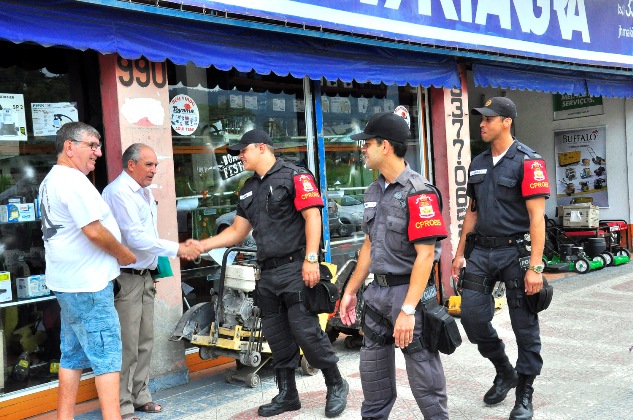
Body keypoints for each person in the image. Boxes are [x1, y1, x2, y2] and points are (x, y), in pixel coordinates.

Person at [197, 129, 349, 418]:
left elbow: (313, 216)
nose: (239, 156)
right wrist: (203, 245)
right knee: (277, 336)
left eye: (243, 151)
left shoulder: (295, 176)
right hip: (267, 273)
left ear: (262, 148)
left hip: (296, 268)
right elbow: (237, 231)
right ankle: (288, 395)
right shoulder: (248, 188)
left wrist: (311, 258)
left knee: (306, 332)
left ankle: (336, 384)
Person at [339, 112, 450, 419]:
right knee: (373, 379)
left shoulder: (419, 192)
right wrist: (350, 291)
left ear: (385, 146)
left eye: (368, 143)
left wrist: (408, 310)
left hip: (408, 293)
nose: (363, 149)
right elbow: (369, 245)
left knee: (425, 380)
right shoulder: (373, 191)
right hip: (377, 294)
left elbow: (426, 256)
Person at [450, 97, 550, 420]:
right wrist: (459, 254)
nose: (482, 124)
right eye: (481, 119)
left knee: (524, 326)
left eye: (489, 119)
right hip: (481, 251)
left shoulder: (529, 162)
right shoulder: (478, 163)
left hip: (515, 252)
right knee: (471, 317)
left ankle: (524, 392)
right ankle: (504, 370)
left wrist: (536, 267)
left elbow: (537, 218)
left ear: (507, 122)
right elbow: (472, 212)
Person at [39, 122, 136, 420]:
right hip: (88, 286)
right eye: (92, 145)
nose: (99, 152)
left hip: (69, 284)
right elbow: (93, 230)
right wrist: (124, 254)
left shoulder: (51, 180)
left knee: (72, 355)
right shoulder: (73, 181)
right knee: (107, 357)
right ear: (69, 147)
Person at [102, 143, 203, 419]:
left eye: (156, 165)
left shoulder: (144, 192)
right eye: (149, 164)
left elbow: (147, 235)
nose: (154, 170)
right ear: (130, 164)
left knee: (145, 340)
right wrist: (177, 248)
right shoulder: (118, 192)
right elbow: (134, 238)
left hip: (145, 275)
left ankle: (140, 395)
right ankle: (121, 405)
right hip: (126, 277)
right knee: (127, 344)